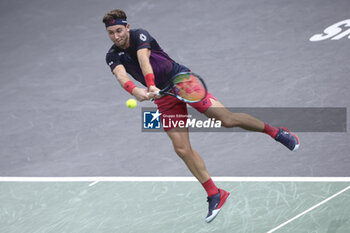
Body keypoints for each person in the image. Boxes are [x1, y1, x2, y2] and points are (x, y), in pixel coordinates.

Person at [102, 9, 300, 223]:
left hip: (181, 81)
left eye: (119, 30)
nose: (116, 36)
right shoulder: (112, 55)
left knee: (226, 119)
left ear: (127, 27)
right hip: (164, 98)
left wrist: (149, 85)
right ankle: (215, 193)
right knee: (181, 148)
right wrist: (136, 91)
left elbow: (144, 60)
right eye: (111, 33)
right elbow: (121, 76)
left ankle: (276, 132)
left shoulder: (140, 35)